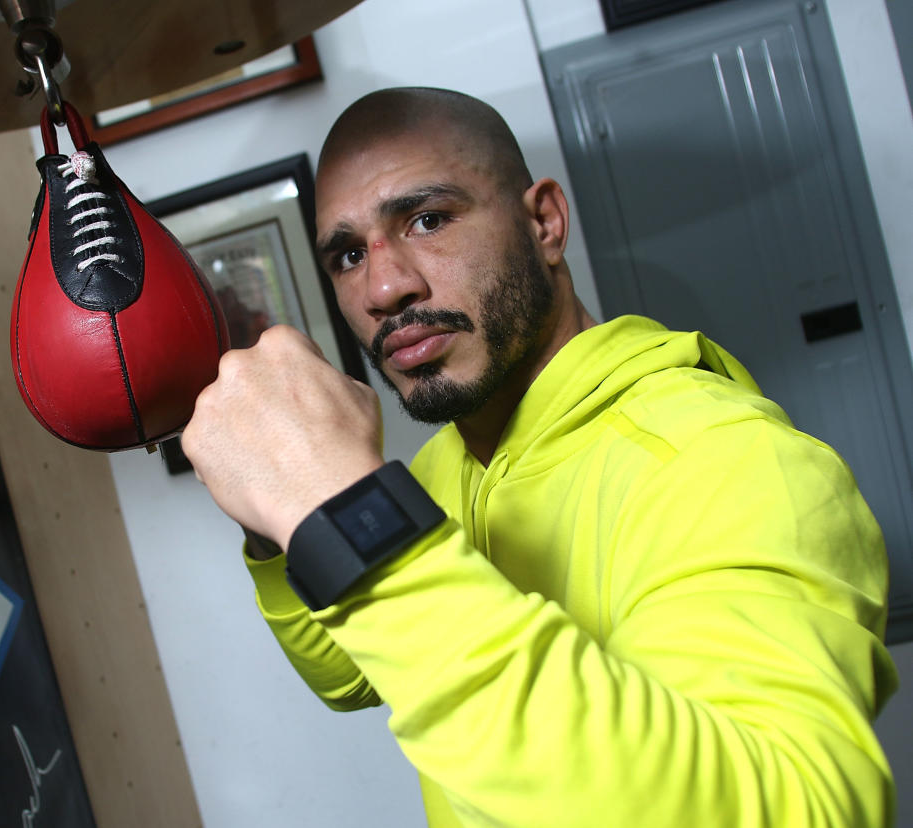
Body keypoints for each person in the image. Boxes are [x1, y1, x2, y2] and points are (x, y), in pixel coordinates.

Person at [180, 87, 897, 827]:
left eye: (428, 220)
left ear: (544, 223)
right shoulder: (439, 471)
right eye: (349, 254)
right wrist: (274, 517)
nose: (385, 288)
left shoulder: (725, 460)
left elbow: (796, 809)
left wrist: (347, 513)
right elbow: (346, 673)